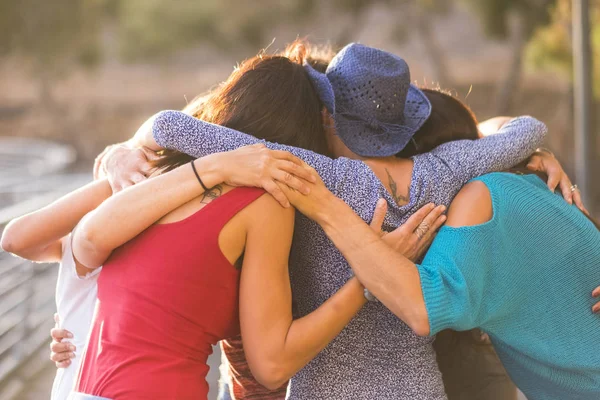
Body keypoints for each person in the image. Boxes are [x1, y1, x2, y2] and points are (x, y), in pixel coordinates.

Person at [95, 43, 580, 399]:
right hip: (417, 387)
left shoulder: (317, 176)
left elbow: (169, 126)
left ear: (329, 117)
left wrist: (123, 152)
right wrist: (537, 151)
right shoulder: (447, 169)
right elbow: (527, 128)